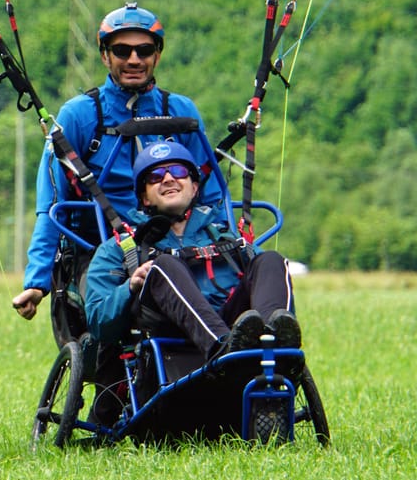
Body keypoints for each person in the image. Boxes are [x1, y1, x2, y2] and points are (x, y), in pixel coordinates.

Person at [11, 2, 222, 320]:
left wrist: (229, 247)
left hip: (180, 244)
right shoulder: (80, 115)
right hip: (102, 251)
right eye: (122, 51)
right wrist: (37, 281)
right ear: (105, 55)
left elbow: (211, 193)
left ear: (157, 55)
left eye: (144, 50)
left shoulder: (181, 111)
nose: (134, 60)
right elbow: (52, 204)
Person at [86, 141, 302, 363]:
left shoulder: (227, 239)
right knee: (164, 265)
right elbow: (97, 323)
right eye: (156, 176)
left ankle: (277, 348)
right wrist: (129, 288)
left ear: (195, 188)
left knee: (271, 260)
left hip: (238, 334)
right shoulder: (120, 249)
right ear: (145, 198)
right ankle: (223, 349)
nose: (169, 179)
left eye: (179, 172)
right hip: (172, 346)